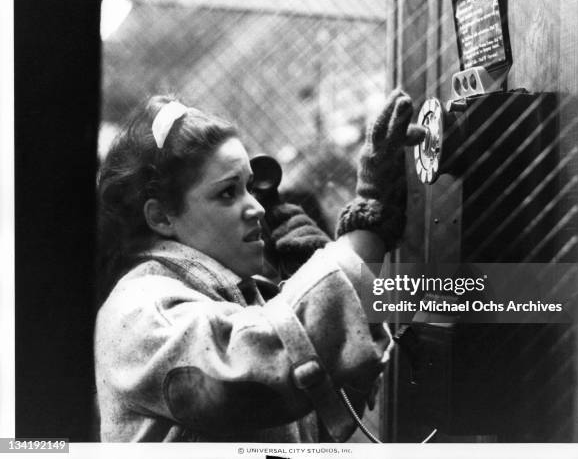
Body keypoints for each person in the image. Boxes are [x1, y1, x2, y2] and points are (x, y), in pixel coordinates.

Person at [95, 90, 418, 442]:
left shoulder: (235, 298)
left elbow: (310, 433)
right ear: (161, 217)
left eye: (249, 187)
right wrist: (365, 231)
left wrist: (309, 282)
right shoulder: (141, 310)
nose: (257, 208)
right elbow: (258, 372)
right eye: (227, 193)